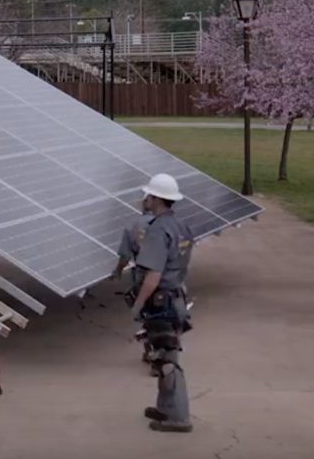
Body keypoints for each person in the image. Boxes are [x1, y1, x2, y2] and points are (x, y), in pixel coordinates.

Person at [128, 173, 195, 433]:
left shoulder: (157, 230)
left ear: (156, 199)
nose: (145, 198)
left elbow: (153, 275)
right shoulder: (182, 227)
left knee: (167, 361)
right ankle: (165, 408)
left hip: (161, 302)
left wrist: (138, 305)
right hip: (176, 297)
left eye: (148, 195)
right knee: (163, 355)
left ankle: (178, 417)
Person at [110, 207, 155, 367]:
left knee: (144, 311)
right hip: (170, 277)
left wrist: (118, 271)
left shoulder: (134, 226)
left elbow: (125, 256)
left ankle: (150, 349)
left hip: (143, 277)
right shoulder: (173, 224)